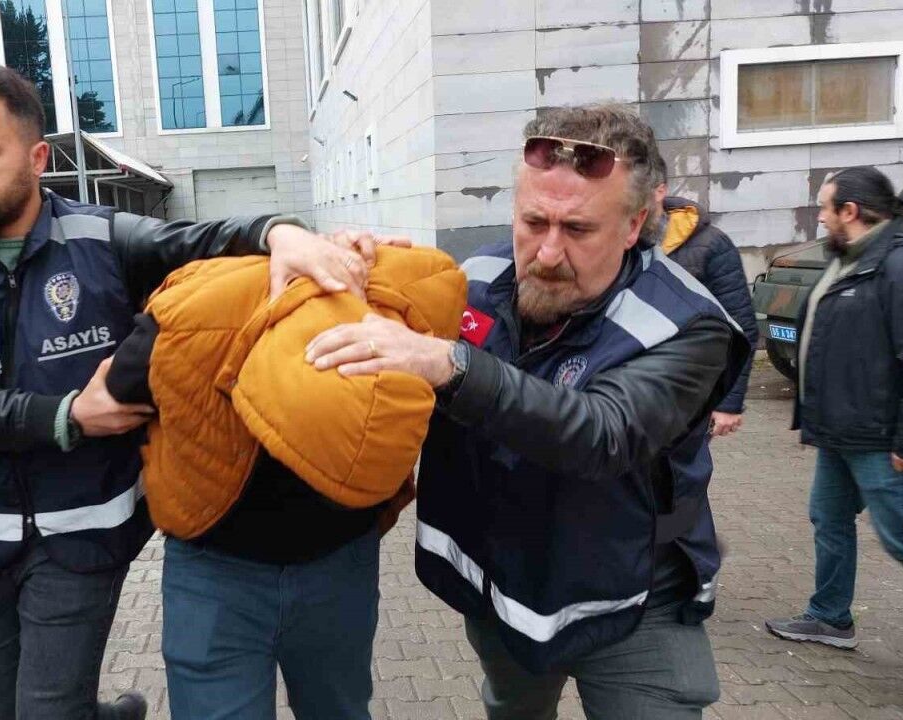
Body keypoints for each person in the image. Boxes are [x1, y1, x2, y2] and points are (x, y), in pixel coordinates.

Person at [0, 64, 366, 720]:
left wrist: (282, 231)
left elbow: (202, 240)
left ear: (36, 158)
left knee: (45, 712)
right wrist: (67, 415)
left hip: (81, 533)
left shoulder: (101, 240)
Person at [307, 104, 751, 719]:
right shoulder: (476, 277)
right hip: (506, 592)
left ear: (634, 225)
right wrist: (358, 272)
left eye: (578, 230)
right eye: (533, 221)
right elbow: (383, 367)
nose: (546, 252)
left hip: (632, 602)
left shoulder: (686, 323)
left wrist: (449, 363)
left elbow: (603, 433)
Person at [103, 244, 463, 720]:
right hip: (291, 563)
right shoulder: (388, 296)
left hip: (250, 568)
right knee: (339, 707)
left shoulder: (193, 306)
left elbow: (119, 389)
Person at [766, 166, 903, 649]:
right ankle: (830, 617)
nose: (820, 218)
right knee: (828, 518)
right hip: (841, 430)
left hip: (884, 437)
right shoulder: (850, 258)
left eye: (825, 208)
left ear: (850, 210)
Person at [651, 158, 758, 437]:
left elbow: (742, 327)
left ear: (659, 190)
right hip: (632, 395)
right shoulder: (616, 240)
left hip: (691, 399)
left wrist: (729, 402)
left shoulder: (712, 245)